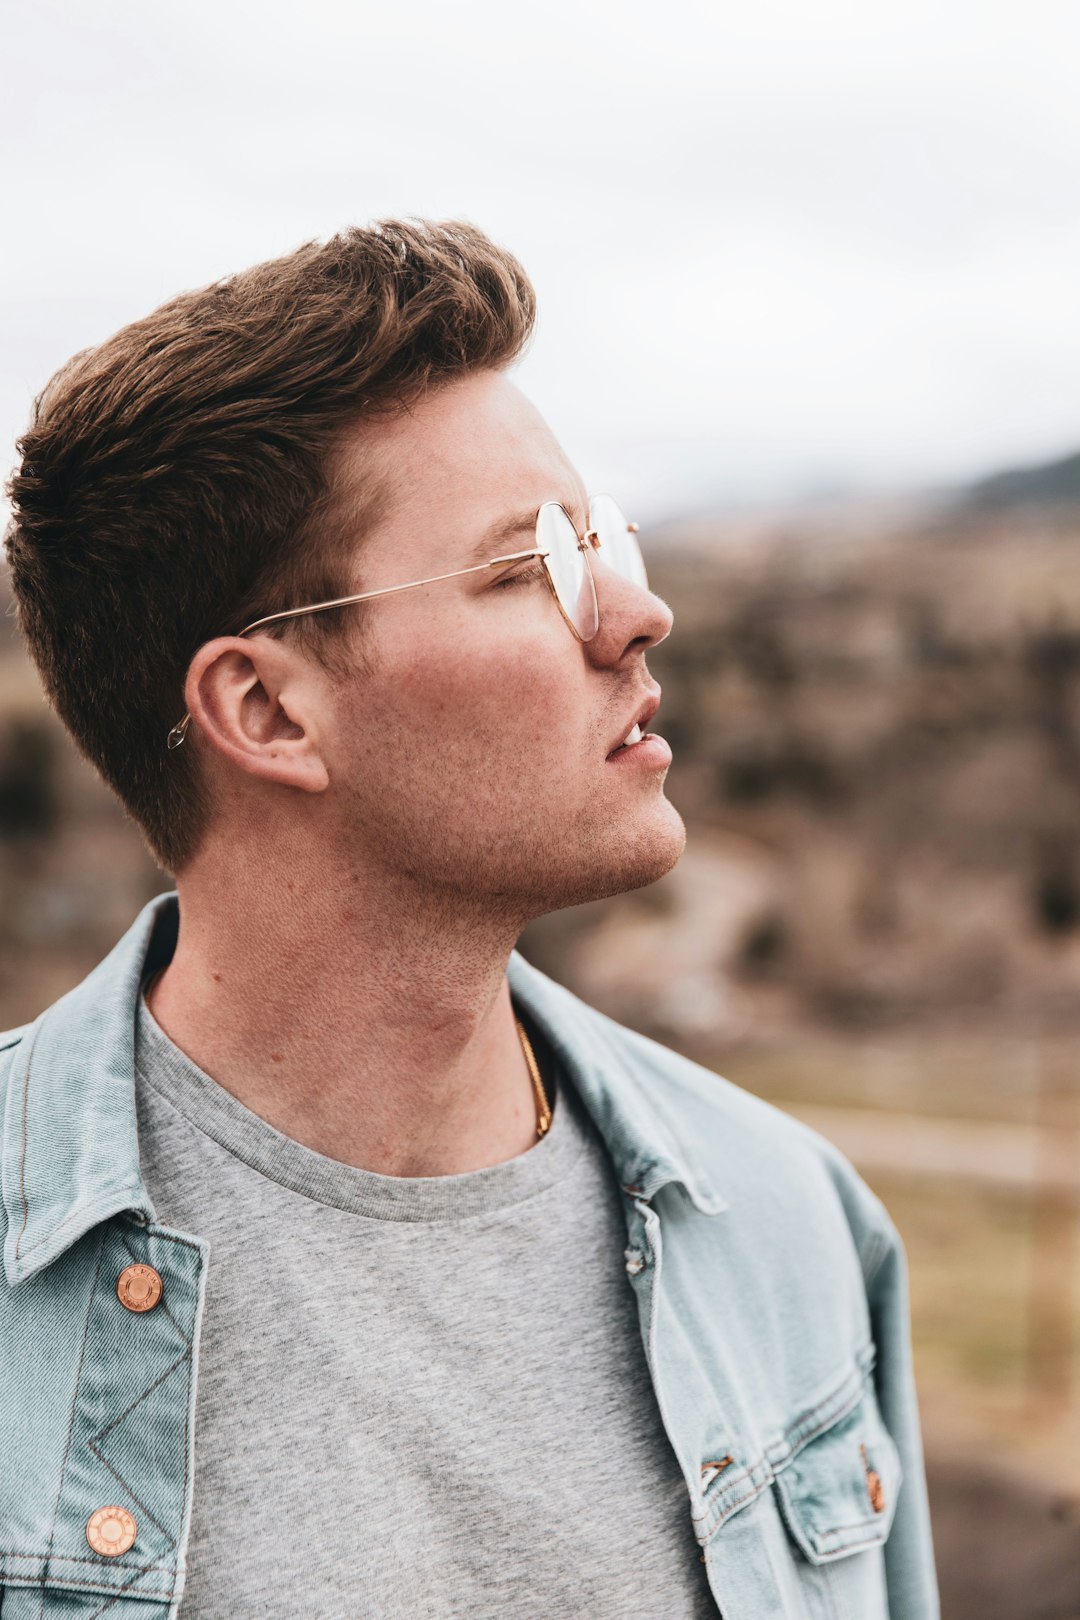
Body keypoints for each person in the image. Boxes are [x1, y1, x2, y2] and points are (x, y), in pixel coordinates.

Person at [0, 219, 938, 1619]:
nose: (636, 611)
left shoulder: (793, 1228)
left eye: (598, 538)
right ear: (266, 710)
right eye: (524, 568)